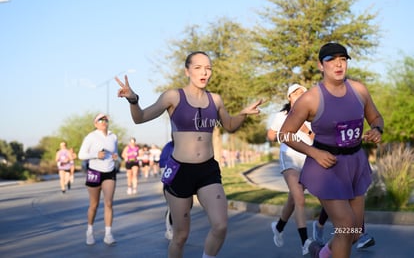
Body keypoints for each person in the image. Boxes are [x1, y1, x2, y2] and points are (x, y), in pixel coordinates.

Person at [115, 51, 263, 258]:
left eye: (208, 68)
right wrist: (133, 99)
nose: (204, 72)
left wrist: (243, 114)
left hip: (207, 170)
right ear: (187, 71)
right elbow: (140, 118)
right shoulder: (173, 96)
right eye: (198, 68)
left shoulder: (216, 100)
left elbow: (229, 125)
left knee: (220, 226)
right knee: (180, 237)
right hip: (180, 170)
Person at [279, 43, 384, 258]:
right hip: (326, 166)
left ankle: (320, 253)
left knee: (353, 232)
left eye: (343, 59)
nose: (338, 64)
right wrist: (314, 153)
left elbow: (375, 117)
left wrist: (376, 129)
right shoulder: (310, 98)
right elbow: (285, 134)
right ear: (321, 65)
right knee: (346, 225)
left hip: (355, 164)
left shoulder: (359, 90)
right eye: (331, 59)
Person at [267, 83, 314, 256]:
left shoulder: (311, 116)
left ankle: (279, 226)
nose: (299, 95)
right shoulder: (282, 115)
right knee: (299, 198)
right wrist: (284, 132)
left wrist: (305, 130)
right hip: (289, 157)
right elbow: (271, 135)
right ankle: (305, 242)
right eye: (295, 93)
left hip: (308, 159)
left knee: (293, 199)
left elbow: (315, 137)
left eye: (302, 92)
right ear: (289, 98)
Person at [78, 113, 119, 246]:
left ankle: (108, 234)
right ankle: (89, 231)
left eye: (105, 119)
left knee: (108, 203)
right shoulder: (91, 136)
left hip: (109, 171)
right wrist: (96, 155)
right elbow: (81, 155)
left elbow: (116, 153)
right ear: (95, 123)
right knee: (94, 205)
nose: (103, 121)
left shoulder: (113, 136)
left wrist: (115, 156)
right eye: (100, 120)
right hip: (94, 171)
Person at [159, 140, 175, 241]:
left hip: (186, 177)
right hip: (171, 175)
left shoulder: (188, 142)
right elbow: (162, 163)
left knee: (187, 206)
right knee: (171, 206)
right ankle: (169, 230)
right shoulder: (169, 146)